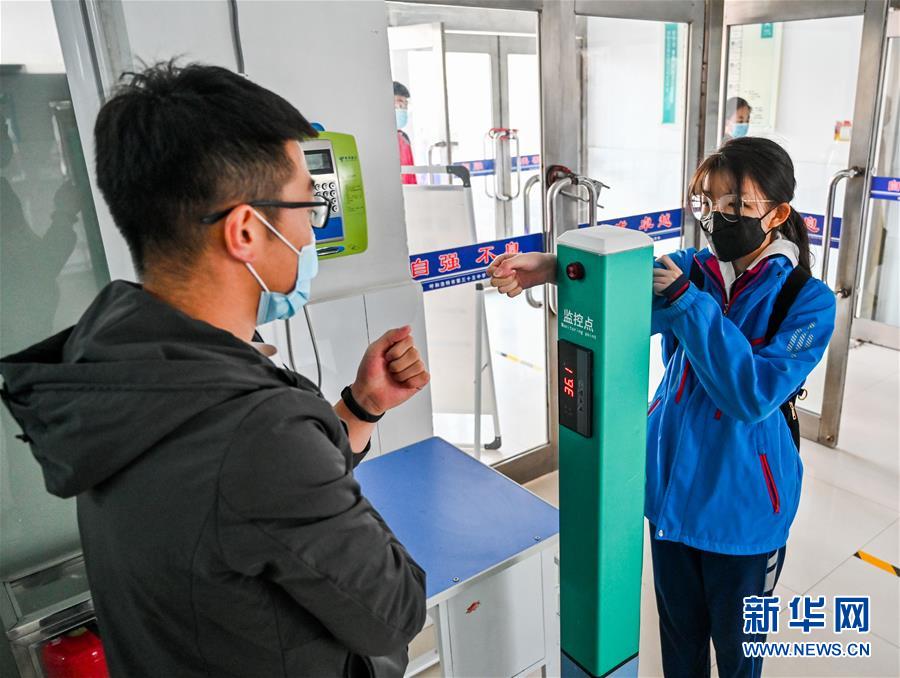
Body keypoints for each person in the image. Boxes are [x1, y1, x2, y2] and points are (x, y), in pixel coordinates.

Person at [0, 62, 429, 678]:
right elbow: (394, 610)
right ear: (246, 230)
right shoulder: (257, 431)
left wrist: (363, 404)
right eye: (306, 207)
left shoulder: (110, 366)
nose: (310, 232)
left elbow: (239, 500)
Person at [487, 137, 836, 678]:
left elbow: (753, 395)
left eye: (737, 205)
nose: (718, 218)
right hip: (671, 497)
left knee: (739, 655)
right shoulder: (692, 270)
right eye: (710, 203)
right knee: (679, 643)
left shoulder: (806, 301)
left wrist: (687, 304)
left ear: (777, 214)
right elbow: (620, 289)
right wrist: (551, 267)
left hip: (744, 512)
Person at [394, 81, 416, 184]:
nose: (403, 107)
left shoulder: (404, 138)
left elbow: (412, 177)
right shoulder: (379, 139)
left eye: (405, 103)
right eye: (399, 102)